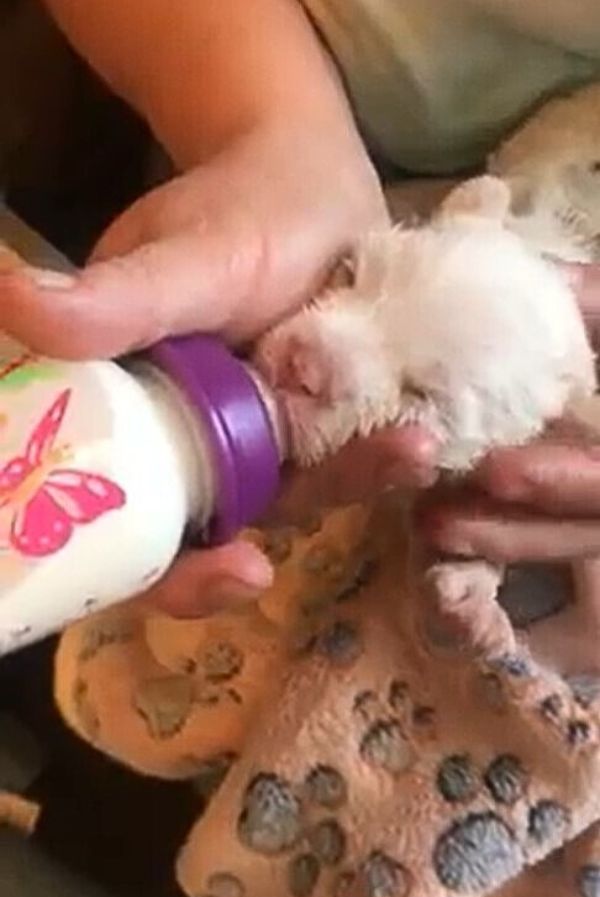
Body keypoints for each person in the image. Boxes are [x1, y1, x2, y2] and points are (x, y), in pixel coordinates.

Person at [3, 0, 600, 617]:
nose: (317, 360)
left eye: (420, 392)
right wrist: (274, 134)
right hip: (196, 95)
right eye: (354, 274)